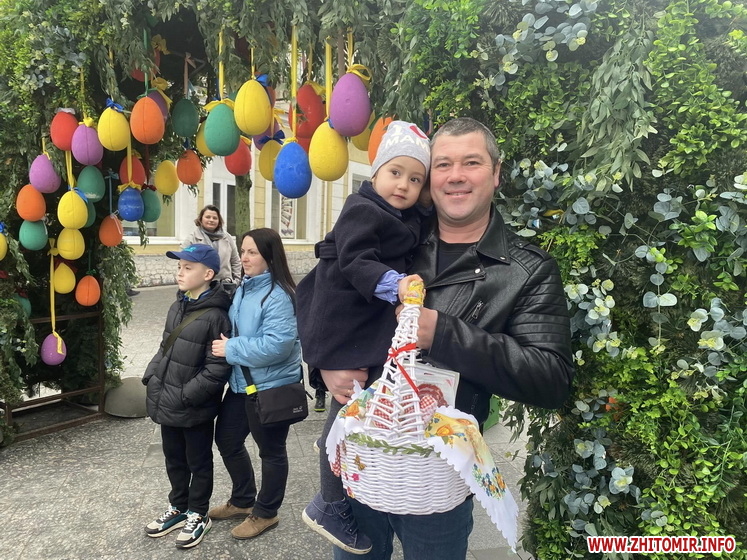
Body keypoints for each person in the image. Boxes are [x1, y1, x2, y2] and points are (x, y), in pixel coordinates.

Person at [314, 117, 575, 560]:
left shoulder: (526, 270)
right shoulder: (390, 235)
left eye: (471, 162)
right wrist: (324, 364)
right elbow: (323, 292)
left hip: (439, 480)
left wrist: (444, 333)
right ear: (430, 176)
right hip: (361, 464)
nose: (456, 176)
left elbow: (550, 378)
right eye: (443, 164)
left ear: (496, 173)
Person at [296, 121, 432, 555]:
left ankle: (337, 460)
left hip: (358, 322)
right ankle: (329, 504)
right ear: (375, 173)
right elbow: (355, 258)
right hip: (343, 319)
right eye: (396, 173)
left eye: (416, 179)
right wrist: (396, 285)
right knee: (347, 404)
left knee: (356, 401)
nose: (404, 185)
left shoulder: (401, 215)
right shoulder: (362, 208)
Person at [209, 227, 303, 541]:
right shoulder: (245, 287)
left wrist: (231, 348)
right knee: (227, 440)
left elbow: (278, 346)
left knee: (271, 451)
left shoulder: (279, 296)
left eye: (252, 252)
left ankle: (266, 512)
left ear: (269, 257)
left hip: (270, 387)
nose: (245, 258)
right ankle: (242, 499)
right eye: (243, 251)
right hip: (242, 383)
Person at [142, 244, 232, 549]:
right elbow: (164, 346)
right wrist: (152, 377)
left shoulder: (217, 316)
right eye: (179, 267)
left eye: (188, 268)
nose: (180, 273)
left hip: (194, 406)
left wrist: (185, 395)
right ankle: (178, 506)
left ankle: (198, 512)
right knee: (174, 459)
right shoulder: (177, 306)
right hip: (167, 400)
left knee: (198, 462)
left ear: (207, 274)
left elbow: (217, 368)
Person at [182, 204, 242, 288]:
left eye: (215, 218)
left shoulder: (227, 238)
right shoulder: (192, 239)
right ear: (201, 219)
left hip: (224, 286)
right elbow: (184, 263)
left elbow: (235, 261)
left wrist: (236, 281)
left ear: (219, 221)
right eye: (208, 217)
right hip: (201, 286)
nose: (211, 220)